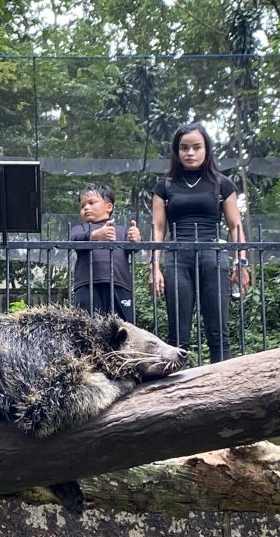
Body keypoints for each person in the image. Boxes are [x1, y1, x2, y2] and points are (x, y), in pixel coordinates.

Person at [149, 121, 249, 363]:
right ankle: (177, 392)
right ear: (177, 151)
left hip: (212, 257)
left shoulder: (221, 184)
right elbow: (158, 228)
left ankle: (225, 389)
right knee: (177, 335)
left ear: (206, 150)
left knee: (218, 332)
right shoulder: (165, 186)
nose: (190, 153)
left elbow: (236, 225)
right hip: (176, 258)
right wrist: (154, 267)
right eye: (184, 148)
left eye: (196, 147)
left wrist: (241, 263)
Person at [70, 184, 141, 323]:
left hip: (119, 284)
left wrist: (136, 238)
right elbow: (73, 241)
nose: (86, 208)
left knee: (124, 329)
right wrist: (95, 235)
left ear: (109, 207)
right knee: (87, 328)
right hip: (87, 285)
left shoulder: (122, 230)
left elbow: (133, 248)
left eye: (91, 202)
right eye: (82, 206)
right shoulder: (80, 228)